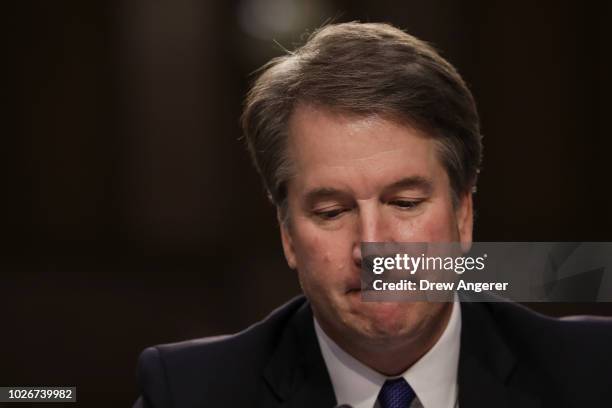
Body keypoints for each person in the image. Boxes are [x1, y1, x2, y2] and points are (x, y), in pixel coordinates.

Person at [133, 22, 612, 407]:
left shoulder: (595, 373)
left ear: (463, 214)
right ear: (286, 234)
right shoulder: (188, 393)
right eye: (332, 211)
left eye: (404, 203)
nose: (372, 246)